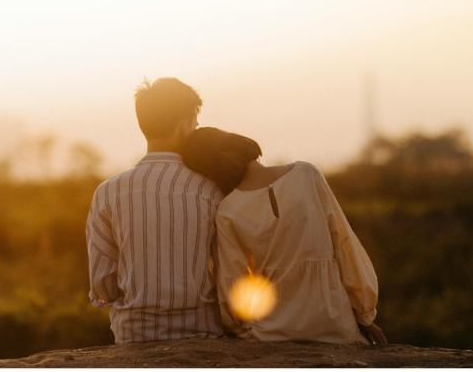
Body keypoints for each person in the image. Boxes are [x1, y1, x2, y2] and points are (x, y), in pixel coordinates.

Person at [182, 127, 388, 346]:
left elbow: (233, 285)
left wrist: (240, 328)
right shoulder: (306, 174)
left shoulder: (227, 212)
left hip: (271, 333)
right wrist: (365, 315)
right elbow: (345, 245)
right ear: (239, 143)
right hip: (335, 325)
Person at [86, 78, 224, 343]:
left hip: (135, 335)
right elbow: (227, 273)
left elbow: (102, 286)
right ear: (185, 123)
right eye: (195, 122)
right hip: (203, 333)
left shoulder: (108, 192)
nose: (196, 128)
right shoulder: (211, 190)